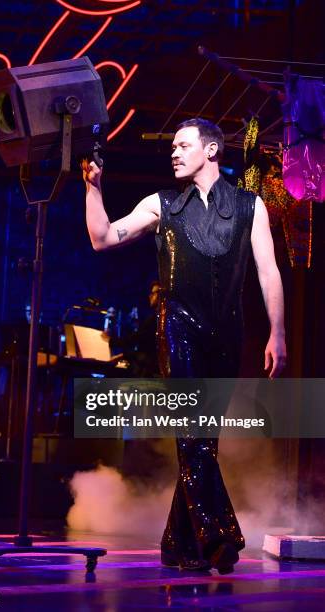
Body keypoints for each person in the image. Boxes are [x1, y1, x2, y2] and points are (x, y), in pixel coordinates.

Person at [82, 118, 287, 573]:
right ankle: (219, 535)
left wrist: (278, 331)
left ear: (211, 150)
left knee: (202, 441)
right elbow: (102, 238)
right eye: (171, 145)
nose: (173, 152)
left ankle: (178, 544)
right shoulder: (162, 204)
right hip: (177, 327)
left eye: (183, 145)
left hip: (228, 332)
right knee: (193, 432)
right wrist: (94, 189)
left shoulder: (251, 206)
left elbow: (268, 272)